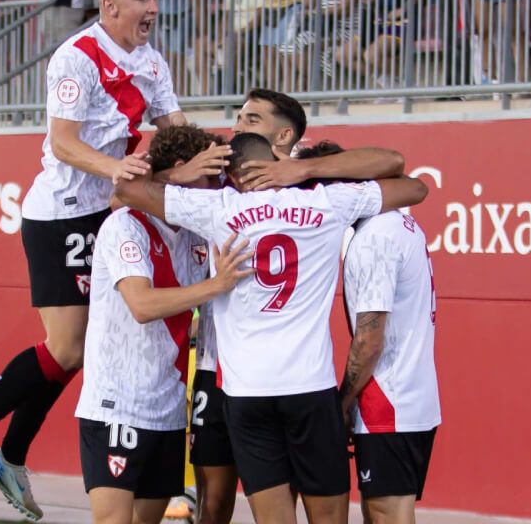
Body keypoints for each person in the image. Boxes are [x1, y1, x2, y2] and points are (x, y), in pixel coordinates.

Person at [0, 0, 189, 521]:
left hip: (107, 212)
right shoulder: (76, 57)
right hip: (64, 212)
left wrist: (213, 161)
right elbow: (65, 143)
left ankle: (10, 454)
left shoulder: (150, 61)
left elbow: (177, 133)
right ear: (111, 5)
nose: (152, 7)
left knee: (78, 354)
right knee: (70, 348)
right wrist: (117, 168)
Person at [114, 132, 428, 524]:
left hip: (247, 395)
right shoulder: (325, 201)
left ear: (235, 174)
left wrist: (185, 172)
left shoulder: (217, 206)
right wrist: (306, 169)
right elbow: (413, 186)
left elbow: (125, 191)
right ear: (274, 164)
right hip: (309, 389)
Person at [77, 125, 252, 524]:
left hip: (168, 409)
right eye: (211, 176)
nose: (219, 187)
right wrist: (216, 285)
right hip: (116, 405)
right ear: (183, 171)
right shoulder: (126, 225)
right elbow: (141, 304)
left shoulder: (196, 233)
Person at [298, 141, 441, 524]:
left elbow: (369, 339)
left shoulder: (373, 238)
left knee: (385, 512)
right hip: (409, 395)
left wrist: (343, 402)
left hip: (388, 402)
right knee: (388, 511)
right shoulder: (399, 223)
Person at [154, 0, 191, 93]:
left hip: (180, 15)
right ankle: (176, 93)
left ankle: (185, 93)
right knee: (169, 58)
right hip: (164, 16)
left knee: (178, 57)